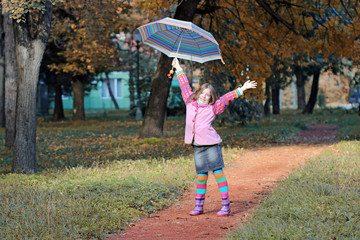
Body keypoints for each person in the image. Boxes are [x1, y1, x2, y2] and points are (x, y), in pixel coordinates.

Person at [172, 58, 257, 217]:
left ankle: (226, 205)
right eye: (202, 93)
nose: (204, 96)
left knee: (217, 173)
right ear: (198, 93)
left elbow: (226, 98)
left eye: (208, 95)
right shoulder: (190, 101)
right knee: (202, 175)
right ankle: (199, 206)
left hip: (211, 145)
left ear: (211, 98)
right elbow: (184, 85)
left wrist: (242, 89)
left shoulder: (214, 107)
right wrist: (178, 68)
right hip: (197, 145)